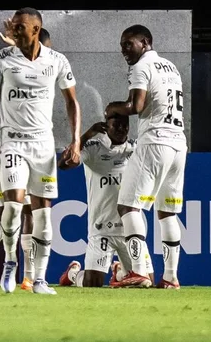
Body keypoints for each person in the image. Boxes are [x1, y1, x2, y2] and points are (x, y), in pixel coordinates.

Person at [0, 7, 81, 294]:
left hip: (43, 145)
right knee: (12, 207)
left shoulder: (57, 61)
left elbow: (72, 102)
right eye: (13, 26)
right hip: (12, 142)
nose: (13, 30)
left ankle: (39, 279)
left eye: (19, 27)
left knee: (43, 215)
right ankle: (10, 261)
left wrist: (75, 142)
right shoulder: (2, 59)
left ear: (36, 30)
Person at [105, 24, 187, 289]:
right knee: (168, 213)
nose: (124, 50)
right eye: (122, 45)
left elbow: (135, 106)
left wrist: (111, 108)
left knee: (128, 206)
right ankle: (171, 277)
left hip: (154, 142)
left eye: (129, 43)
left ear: (145, 42)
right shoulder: (171, 67)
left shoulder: (141, 67)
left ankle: (138, 270)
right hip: (178, 144)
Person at [0, 27, 53, 292]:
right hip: (17, 145)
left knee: (6, 210)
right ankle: (30, 276)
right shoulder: (20, 66)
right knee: (30, 211)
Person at [57, 113, 153, 288]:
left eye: (125, 125)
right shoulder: (94, 149)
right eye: (116, 125)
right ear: (105, 126)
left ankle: (119, 272)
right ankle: (73, 274)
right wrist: (87, 135)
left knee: (147, 282)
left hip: (129, 231)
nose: (121, 129)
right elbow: (64, 164)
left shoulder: (135, 148)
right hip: (102, 229)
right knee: (92, 284)